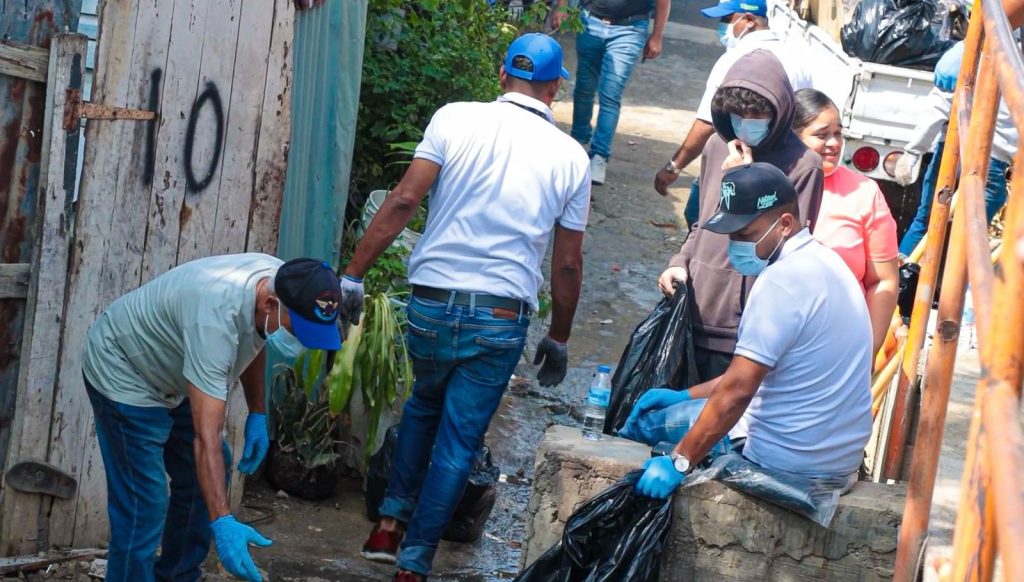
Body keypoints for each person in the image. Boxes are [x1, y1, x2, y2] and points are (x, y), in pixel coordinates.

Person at [351, 33, 590, 582]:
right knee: (459, 440)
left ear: (503, 76)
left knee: (420, 408)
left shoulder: (454, 119)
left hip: (432, 305)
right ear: (554, 88)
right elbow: (568, 262)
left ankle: (388, 526)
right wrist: (559, 335)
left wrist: (353, 275)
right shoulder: (571, 158)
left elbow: (405, 198)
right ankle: (414, 563)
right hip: (500, 318)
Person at [82, 254, 343, 582]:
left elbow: (259, 338)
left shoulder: (286, 282)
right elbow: (205, 437)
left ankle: (179, 576)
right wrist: (223, 521)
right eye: (300, 329)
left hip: (178, 366)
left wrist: (258, 413)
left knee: (202, 474)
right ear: (270, 304)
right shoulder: (214, 320)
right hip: (124, 369)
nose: (304, 341)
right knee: (143, 504)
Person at [632, 163, 872, 499]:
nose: (735, 246)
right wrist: (684, 396)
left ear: (784, 224)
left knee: (647, 423)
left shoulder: (781, 283)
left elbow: (738, 391)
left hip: (785, 460)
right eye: (731, 235)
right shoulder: (829, 263)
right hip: (834, 458)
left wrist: (679, 462)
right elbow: (751, 374)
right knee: (673, 411)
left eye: (744, 235)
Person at [657, 50, 824, 382]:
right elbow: (702, 224)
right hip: (693, 310)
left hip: (744, 328)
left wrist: (745, 179)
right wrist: (679, 260)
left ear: (779, 111)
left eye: (758, 113)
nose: (746, 123)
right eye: (737, 114)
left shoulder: (803, 166)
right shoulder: (717, 147)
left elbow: (787, 251)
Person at [653, 0, 813, 211]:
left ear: (748, 20)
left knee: (701, 218)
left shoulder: (734, 60)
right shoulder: (797, 61)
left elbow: (707, 123)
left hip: (732, 163)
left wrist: (674, 166)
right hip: (781, 170)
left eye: (727, 20)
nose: (723, 27)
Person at [792, 88, 899, 356]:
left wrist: (868, 349)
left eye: (838, 133)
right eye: (821, 134)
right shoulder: (770, 184)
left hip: (838, 348)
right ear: (790, 137)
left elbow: (884, 280)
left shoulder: (865, 193)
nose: (834, 143)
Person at [552, 0, 670, 185]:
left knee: (610, 94)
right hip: (590, 21)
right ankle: (578, 141)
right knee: (584, 88)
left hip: (630, 29)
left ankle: (599, 155)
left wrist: (657, 35)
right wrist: (561, 6)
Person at [895, 87, 1017, 257]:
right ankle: (954, 279)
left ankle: (903, 274)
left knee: (927, 220)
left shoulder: (961, 63)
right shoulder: (1011, 68)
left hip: (953, 151)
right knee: (971, 232)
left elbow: (938, 104)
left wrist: (914, 151)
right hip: (987, 160)